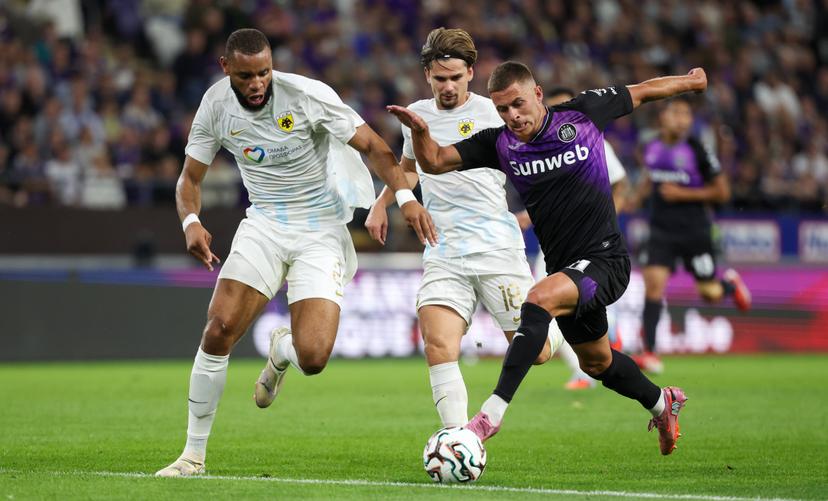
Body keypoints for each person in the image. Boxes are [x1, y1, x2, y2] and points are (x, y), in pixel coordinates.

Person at [388, 61, 709, 456]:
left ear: (537, 94)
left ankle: (489, 415)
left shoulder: (582, 113)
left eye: (518, 104)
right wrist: (420, 132)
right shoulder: (499, 143)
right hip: (566, 269)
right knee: (597, 363)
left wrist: (690, 82)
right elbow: (434, 160)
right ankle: (663, 402)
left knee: (538, 299)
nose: (512, 116)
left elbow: (642, 90)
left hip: (605, 258)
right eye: (503, 109)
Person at [156, 28, 436, 477]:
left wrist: (405, 200)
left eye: (264, 72)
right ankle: (192, 456)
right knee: (219, 328)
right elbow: (189, 179)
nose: (256, 83)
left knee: (314, 357)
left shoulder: (307, 95)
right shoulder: (215, 105)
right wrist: (191, 222)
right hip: (264, 223)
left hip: (321, 230)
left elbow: (377, 149)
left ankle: (282, 351)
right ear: (226, 68)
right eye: (246, 75)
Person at [365, 28, 560, 430]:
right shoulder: (416, 117)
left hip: (495, 245)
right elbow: (407, 171)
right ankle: (456, 440)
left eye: (456, 77)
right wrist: (382, 204)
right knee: (438, 344)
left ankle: (561, 323)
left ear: (471, 72)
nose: (448, 86)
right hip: (443, 247)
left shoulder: (497, 113)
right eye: (440, 79)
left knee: (538, 352)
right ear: (427, 76)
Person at [515, 87, 629, 390]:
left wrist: (602, 218)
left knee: (551, 299)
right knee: (550, 301)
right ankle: (595, 363)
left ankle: (594, 363)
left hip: (594, 243)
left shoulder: (590, 138)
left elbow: (620, 183)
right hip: (556, 246)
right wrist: (526, 217)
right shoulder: (533, 147)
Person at [632, 98, 751, 374]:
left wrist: (682, 194)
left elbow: (722, 192)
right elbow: (650, 177)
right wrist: (636, 197)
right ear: (663, 117)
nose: (682, 119)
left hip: (695, 231)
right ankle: (649, 352)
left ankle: (730, 286)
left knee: (709, 292)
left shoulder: (697, 149)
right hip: (661, 229)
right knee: (653, 286)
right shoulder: (649, 146)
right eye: (676, 113)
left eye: (686, 114)